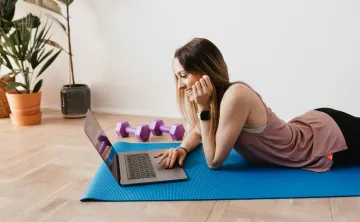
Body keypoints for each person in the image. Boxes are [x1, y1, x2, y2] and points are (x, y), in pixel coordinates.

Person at [154, 37, 360, 173]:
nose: (180, 85)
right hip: (312, 126)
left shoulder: (236, 95)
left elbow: (214, 161)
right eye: (177, 77)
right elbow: (199, 132)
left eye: (184, 76)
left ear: (205, 71)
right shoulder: (216, 100)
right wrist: (182, 148)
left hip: (326, 139)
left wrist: (202, 108)